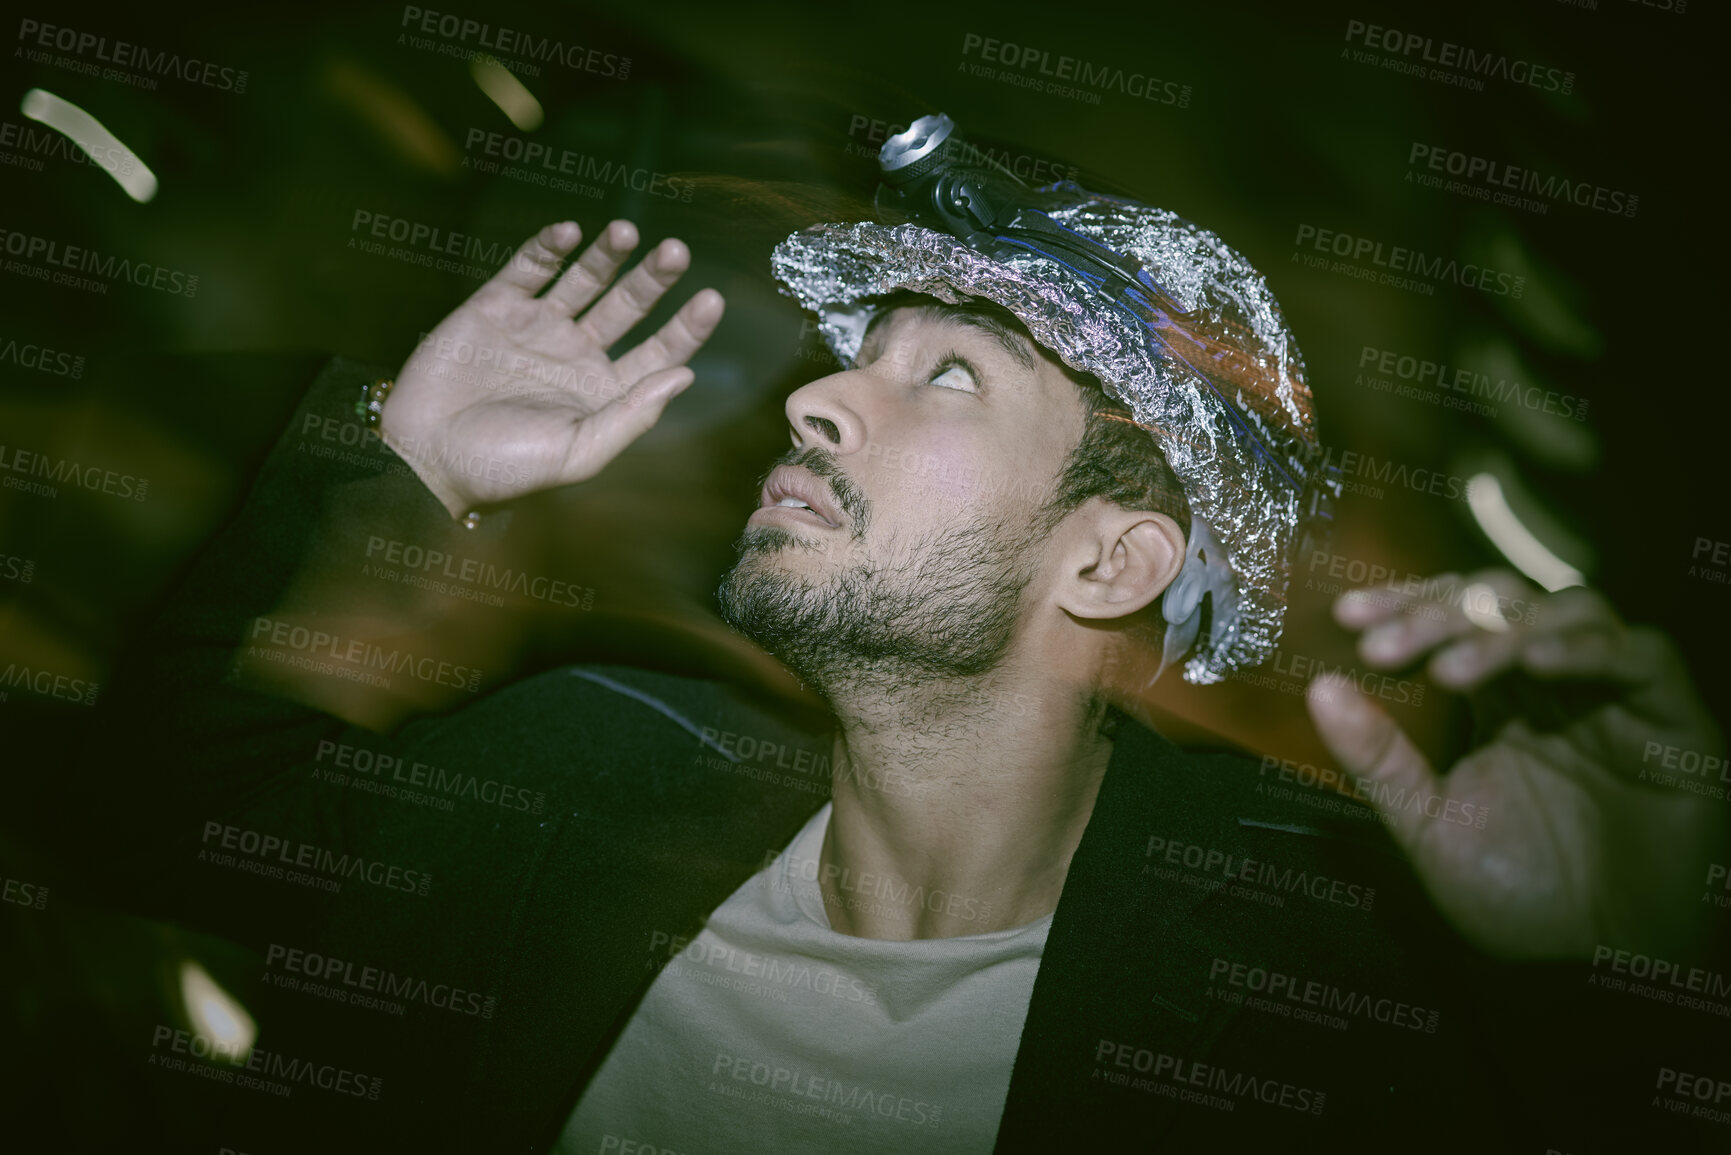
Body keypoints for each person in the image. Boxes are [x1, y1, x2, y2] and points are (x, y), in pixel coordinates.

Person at [92, 117, 1726, 1155]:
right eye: (859, 352)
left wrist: (1613, 988)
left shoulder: (1296, 1000)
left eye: (946, 374)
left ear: (1111, 558)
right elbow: (155, 807)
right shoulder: (586, 767)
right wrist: (393, 457)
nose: (811, 395)